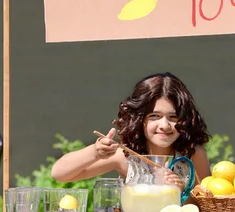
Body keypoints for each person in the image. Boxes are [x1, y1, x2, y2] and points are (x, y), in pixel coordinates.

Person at [51, 72, 211, 189]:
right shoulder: (126, 154)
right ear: (139, 119)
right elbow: (60, 174)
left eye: (173, 117)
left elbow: (207, 211)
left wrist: (182, 190)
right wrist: (95, 151)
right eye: (154, 116)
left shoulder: (192, 154)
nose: (164, 125)